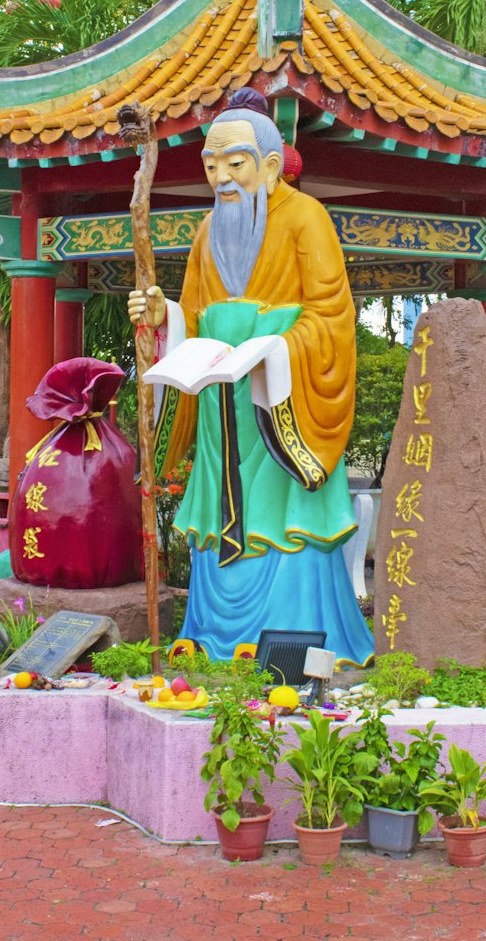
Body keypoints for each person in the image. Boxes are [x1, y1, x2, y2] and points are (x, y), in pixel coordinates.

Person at [128, 89, 373, 665]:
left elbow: (331, 316)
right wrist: (165, 319)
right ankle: (214, 639)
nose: (223, 180)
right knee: (218, 514)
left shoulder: (306, 218)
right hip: (220, 411)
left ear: (268, 164)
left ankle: (295, 648)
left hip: (279, 404)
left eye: (235, 164)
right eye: (212, 168)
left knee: (284, 519)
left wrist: (273, 348)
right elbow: (194, 313)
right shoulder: (205, 233)